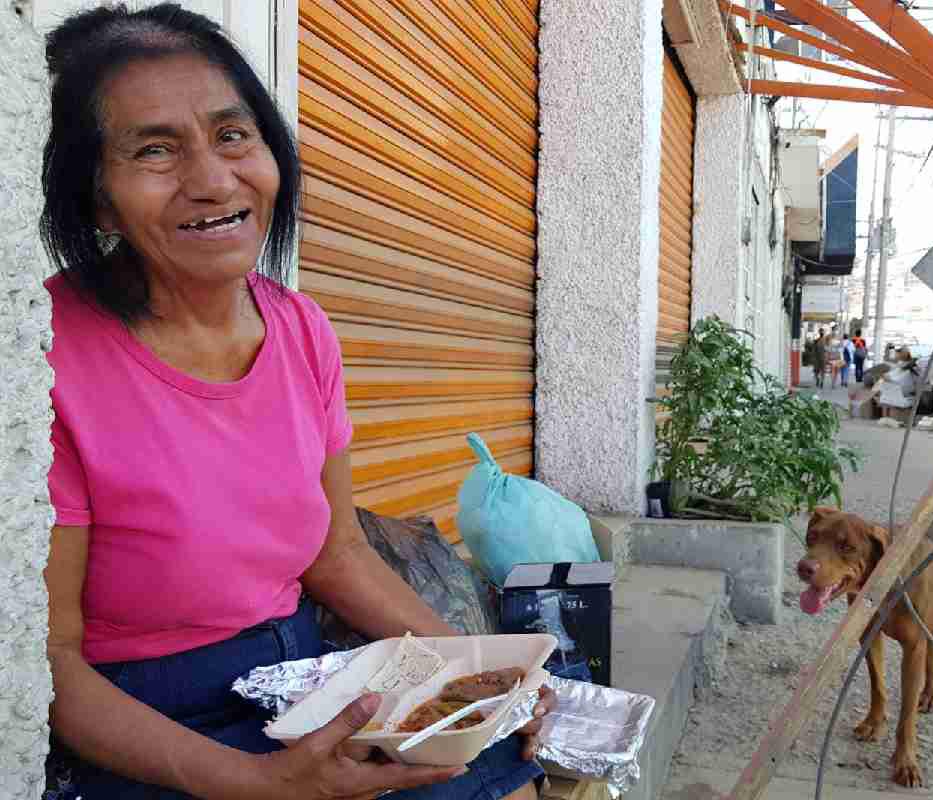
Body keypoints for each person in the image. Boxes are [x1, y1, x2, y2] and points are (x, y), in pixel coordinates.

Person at [39, 6, 551, 799]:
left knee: (510, 759)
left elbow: (336, 553)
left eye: (233, 135)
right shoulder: (43, 360)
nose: (213, 180)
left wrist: (487, 674)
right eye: (154, 150)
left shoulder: (302, 328)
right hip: (144, 725)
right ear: (98, 200)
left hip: (303, 683)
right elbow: (50, 664)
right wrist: (266, 783)